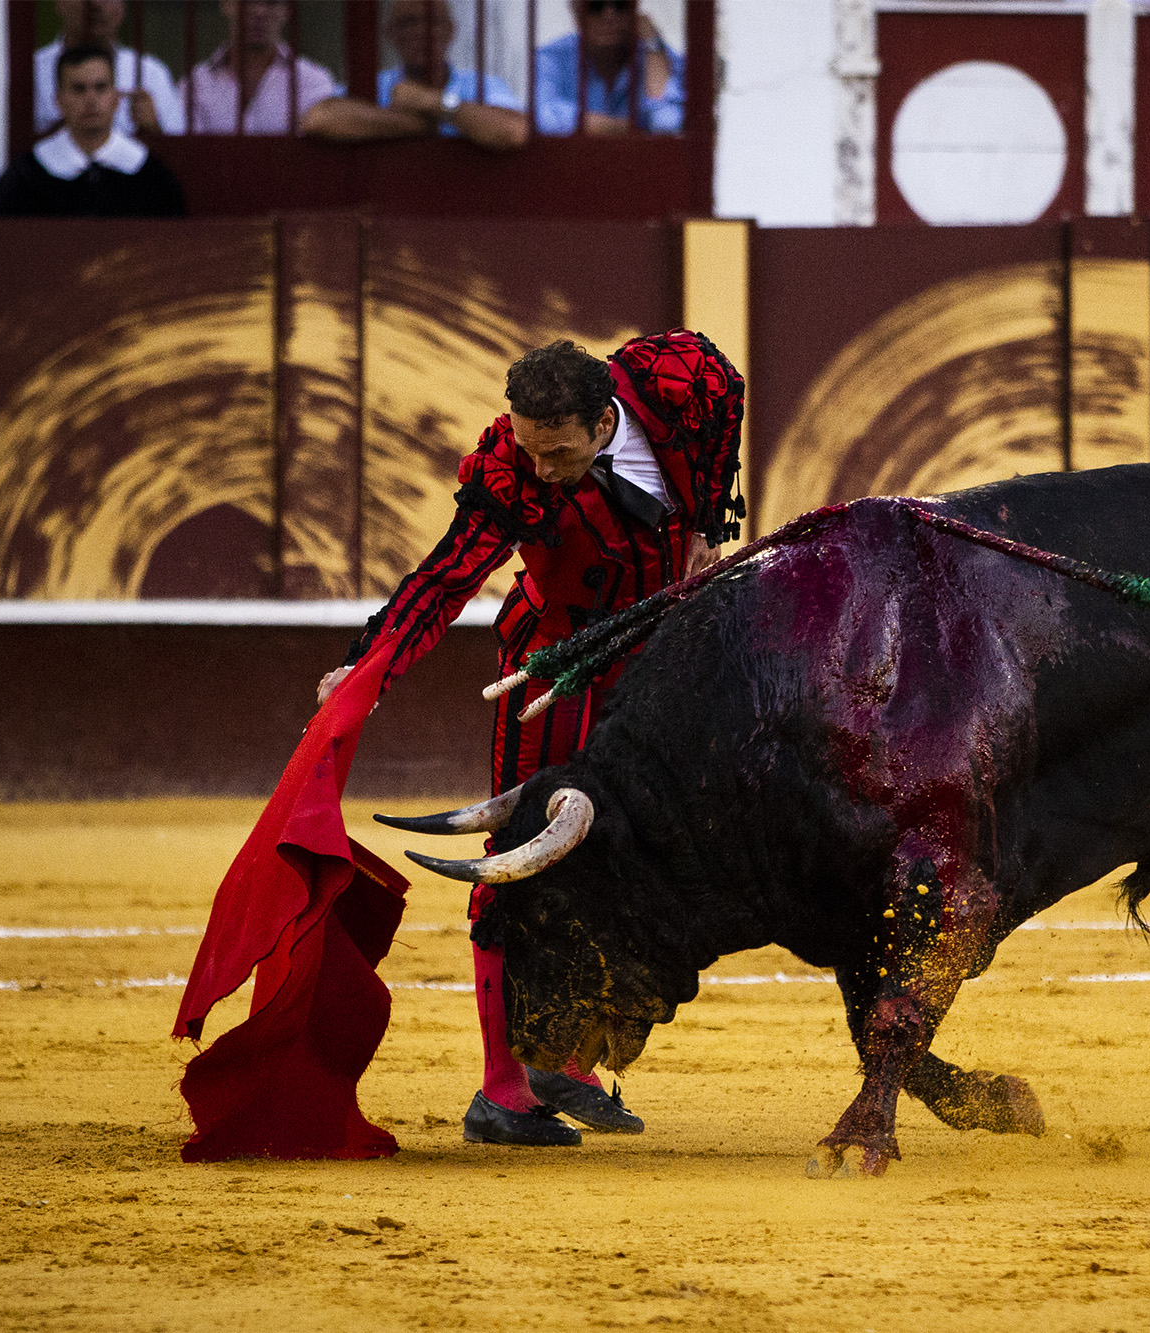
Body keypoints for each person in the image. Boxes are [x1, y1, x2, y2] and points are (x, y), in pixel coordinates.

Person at [319, 332, 744, 1147]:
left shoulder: (677, 385)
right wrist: (365, 670)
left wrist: (717, 516)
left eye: (558, 453)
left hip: (655, 669)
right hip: (551, 676)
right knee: (519, 857)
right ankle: (502, 1089)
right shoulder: (510, 471)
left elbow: (728, 390)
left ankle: (568, 1057)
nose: (541, 469)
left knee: (642, 859)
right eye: (528, 447)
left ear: (603, 421)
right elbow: (444, 577)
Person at [0, 45, 187, 218]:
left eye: (100, 88)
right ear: (59, 100)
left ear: (116, 98)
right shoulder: (26, 178)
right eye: (79, 89)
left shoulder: (152, 177)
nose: (91, 100)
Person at [302, 0, 527, 151]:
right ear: (390, 34)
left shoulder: (481, 85)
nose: (421, 31)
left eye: (432, 21)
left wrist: (434, 102)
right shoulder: (371, 83)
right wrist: (419, 124)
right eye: (408, 22)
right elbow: (319, 118)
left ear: (450, 31)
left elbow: (512, 131)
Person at [33, 0, 185, 138]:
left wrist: (153, 129)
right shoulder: (33, 70)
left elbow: (179, 149)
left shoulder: (150, 73)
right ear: (59, 3)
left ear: (123, 8)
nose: (95, 4)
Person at [188, 0, 339, 135]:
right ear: (226, 4)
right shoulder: (196, 85)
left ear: (287, 10)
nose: (259, 11)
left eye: (272, 2)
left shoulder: (312, 82)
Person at [534, 0, 683, 136]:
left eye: (621, 5)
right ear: (576, 12)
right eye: (595, 6)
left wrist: (654, 45)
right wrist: (632, 128)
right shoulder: (551, 58)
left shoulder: (657, 57)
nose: (609, 15)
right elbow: (543, 118)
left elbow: (667, 124)